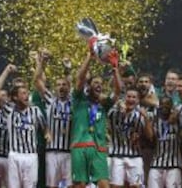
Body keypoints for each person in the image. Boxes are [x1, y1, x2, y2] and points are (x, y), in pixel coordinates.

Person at [71, 50, 120, 188]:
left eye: (101, 83)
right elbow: (80, 79)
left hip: (99, 148)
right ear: (89, 86)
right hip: (80, 146)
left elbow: (117, 91)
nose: (99, 85)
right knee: (79, 185)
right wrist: (89, 57)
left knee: (104, 184)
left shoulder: (103, 105)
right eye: (95, 82)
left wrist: (115, 69)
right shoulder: (79, 99)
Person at [34, 51, 73, 187]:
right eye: (58, 85)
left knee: (70, 185)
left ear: (68, 87)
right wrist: (41, 63)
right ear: (55, 88)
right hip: (52, 152)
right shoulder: (50, 100)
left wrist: (68, 69)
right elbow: (37, 81)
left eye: (64, 85)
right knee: (52, 185)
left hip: (69, 152)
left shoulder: (73, 102)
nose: (61, 87)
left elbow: (75, 84)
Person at [108, 87, 151, 188]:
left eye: (134, 97)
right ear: (124, 98)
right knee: (115, 186)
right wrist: (118, 104)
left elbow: (150, 136)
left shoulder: (140, 116)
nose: (131, 99)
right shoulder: (114, 112)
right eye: (129, 96)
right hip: (116, 155)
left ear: (138, 100)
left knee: (136, 186)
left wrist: (146, 118)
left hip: (135, 155)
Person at [146, 96, 182, 188]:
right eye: (162, 104)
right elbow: (150, 137)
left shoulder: (178, 119)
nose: (164, 107)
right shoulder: (155, 120)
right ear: (159, 105)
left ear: (171, 106)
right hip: (156, 163)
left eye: (167, 104)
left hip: (174, 164)